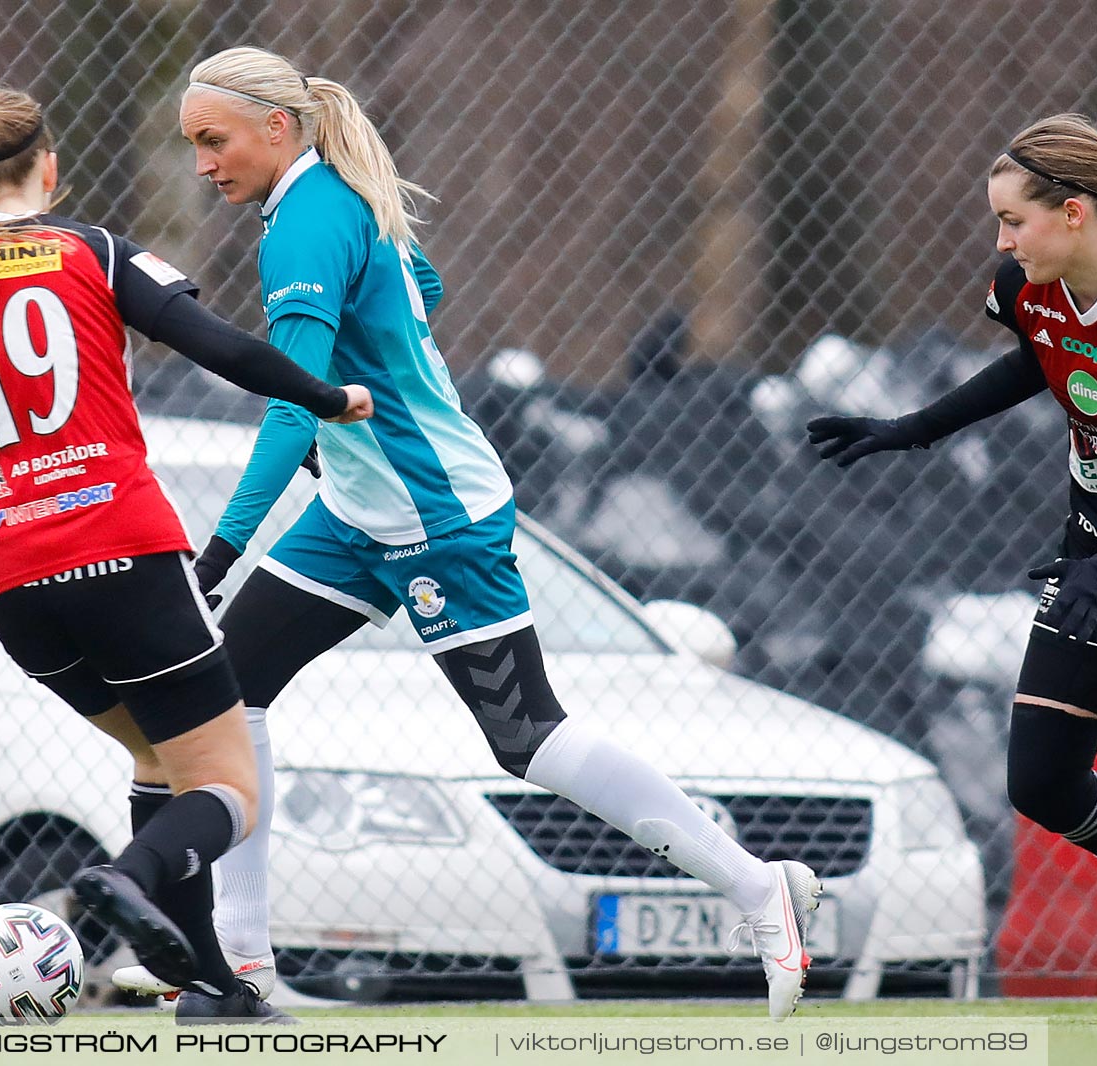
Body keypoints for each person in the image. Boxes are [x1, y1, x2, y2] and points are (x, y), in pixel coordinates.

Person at [109, 46, 822, 1021]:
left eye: (212, 140)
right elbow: (421, 293)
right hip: (362, 509)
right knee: (234, 694)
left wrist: (219, 553)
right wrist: (370, 395)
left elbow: (287, 408)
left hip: (434, 514)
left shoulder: (309, 222)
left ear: (278, 128)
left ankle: (757, 888)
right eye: (191, 143)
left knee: (526, 735)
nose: (201, 163)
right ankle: (242, 969)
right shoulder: (329, 200)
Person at [0, 87, 373, 1024]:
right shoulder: (90, 250)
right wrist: (328, 400)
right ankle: (123, 880)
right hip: (122, 548)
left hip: (12, 580)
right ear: (48, 170)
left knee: (159, 759)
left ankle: (214, 990)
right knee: (228, 788)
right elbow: (221, 348)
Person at [808, 113, 1097, 1022]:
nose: (1002, 241)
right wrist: (909, 429)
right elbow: (1037, 365)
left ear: (1072, 213)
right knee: (1043, 782)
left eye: (1014, 221)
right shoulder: (1026, 285)